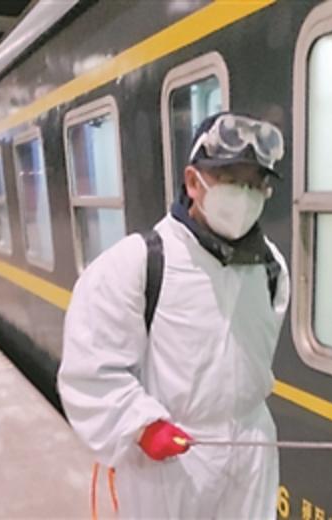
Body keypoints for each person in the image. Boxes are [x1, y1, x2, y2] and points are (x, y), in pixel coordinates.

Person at [58, 111, 290, 519]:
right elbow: (89, 369)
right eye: (230, 179)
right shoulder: (139, 262)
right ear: (193, 182)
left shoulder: (270, 267)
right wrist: (141, 425)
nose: (244, 195)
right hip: (171, 463)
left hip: (251, 453)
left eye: (255, 184)